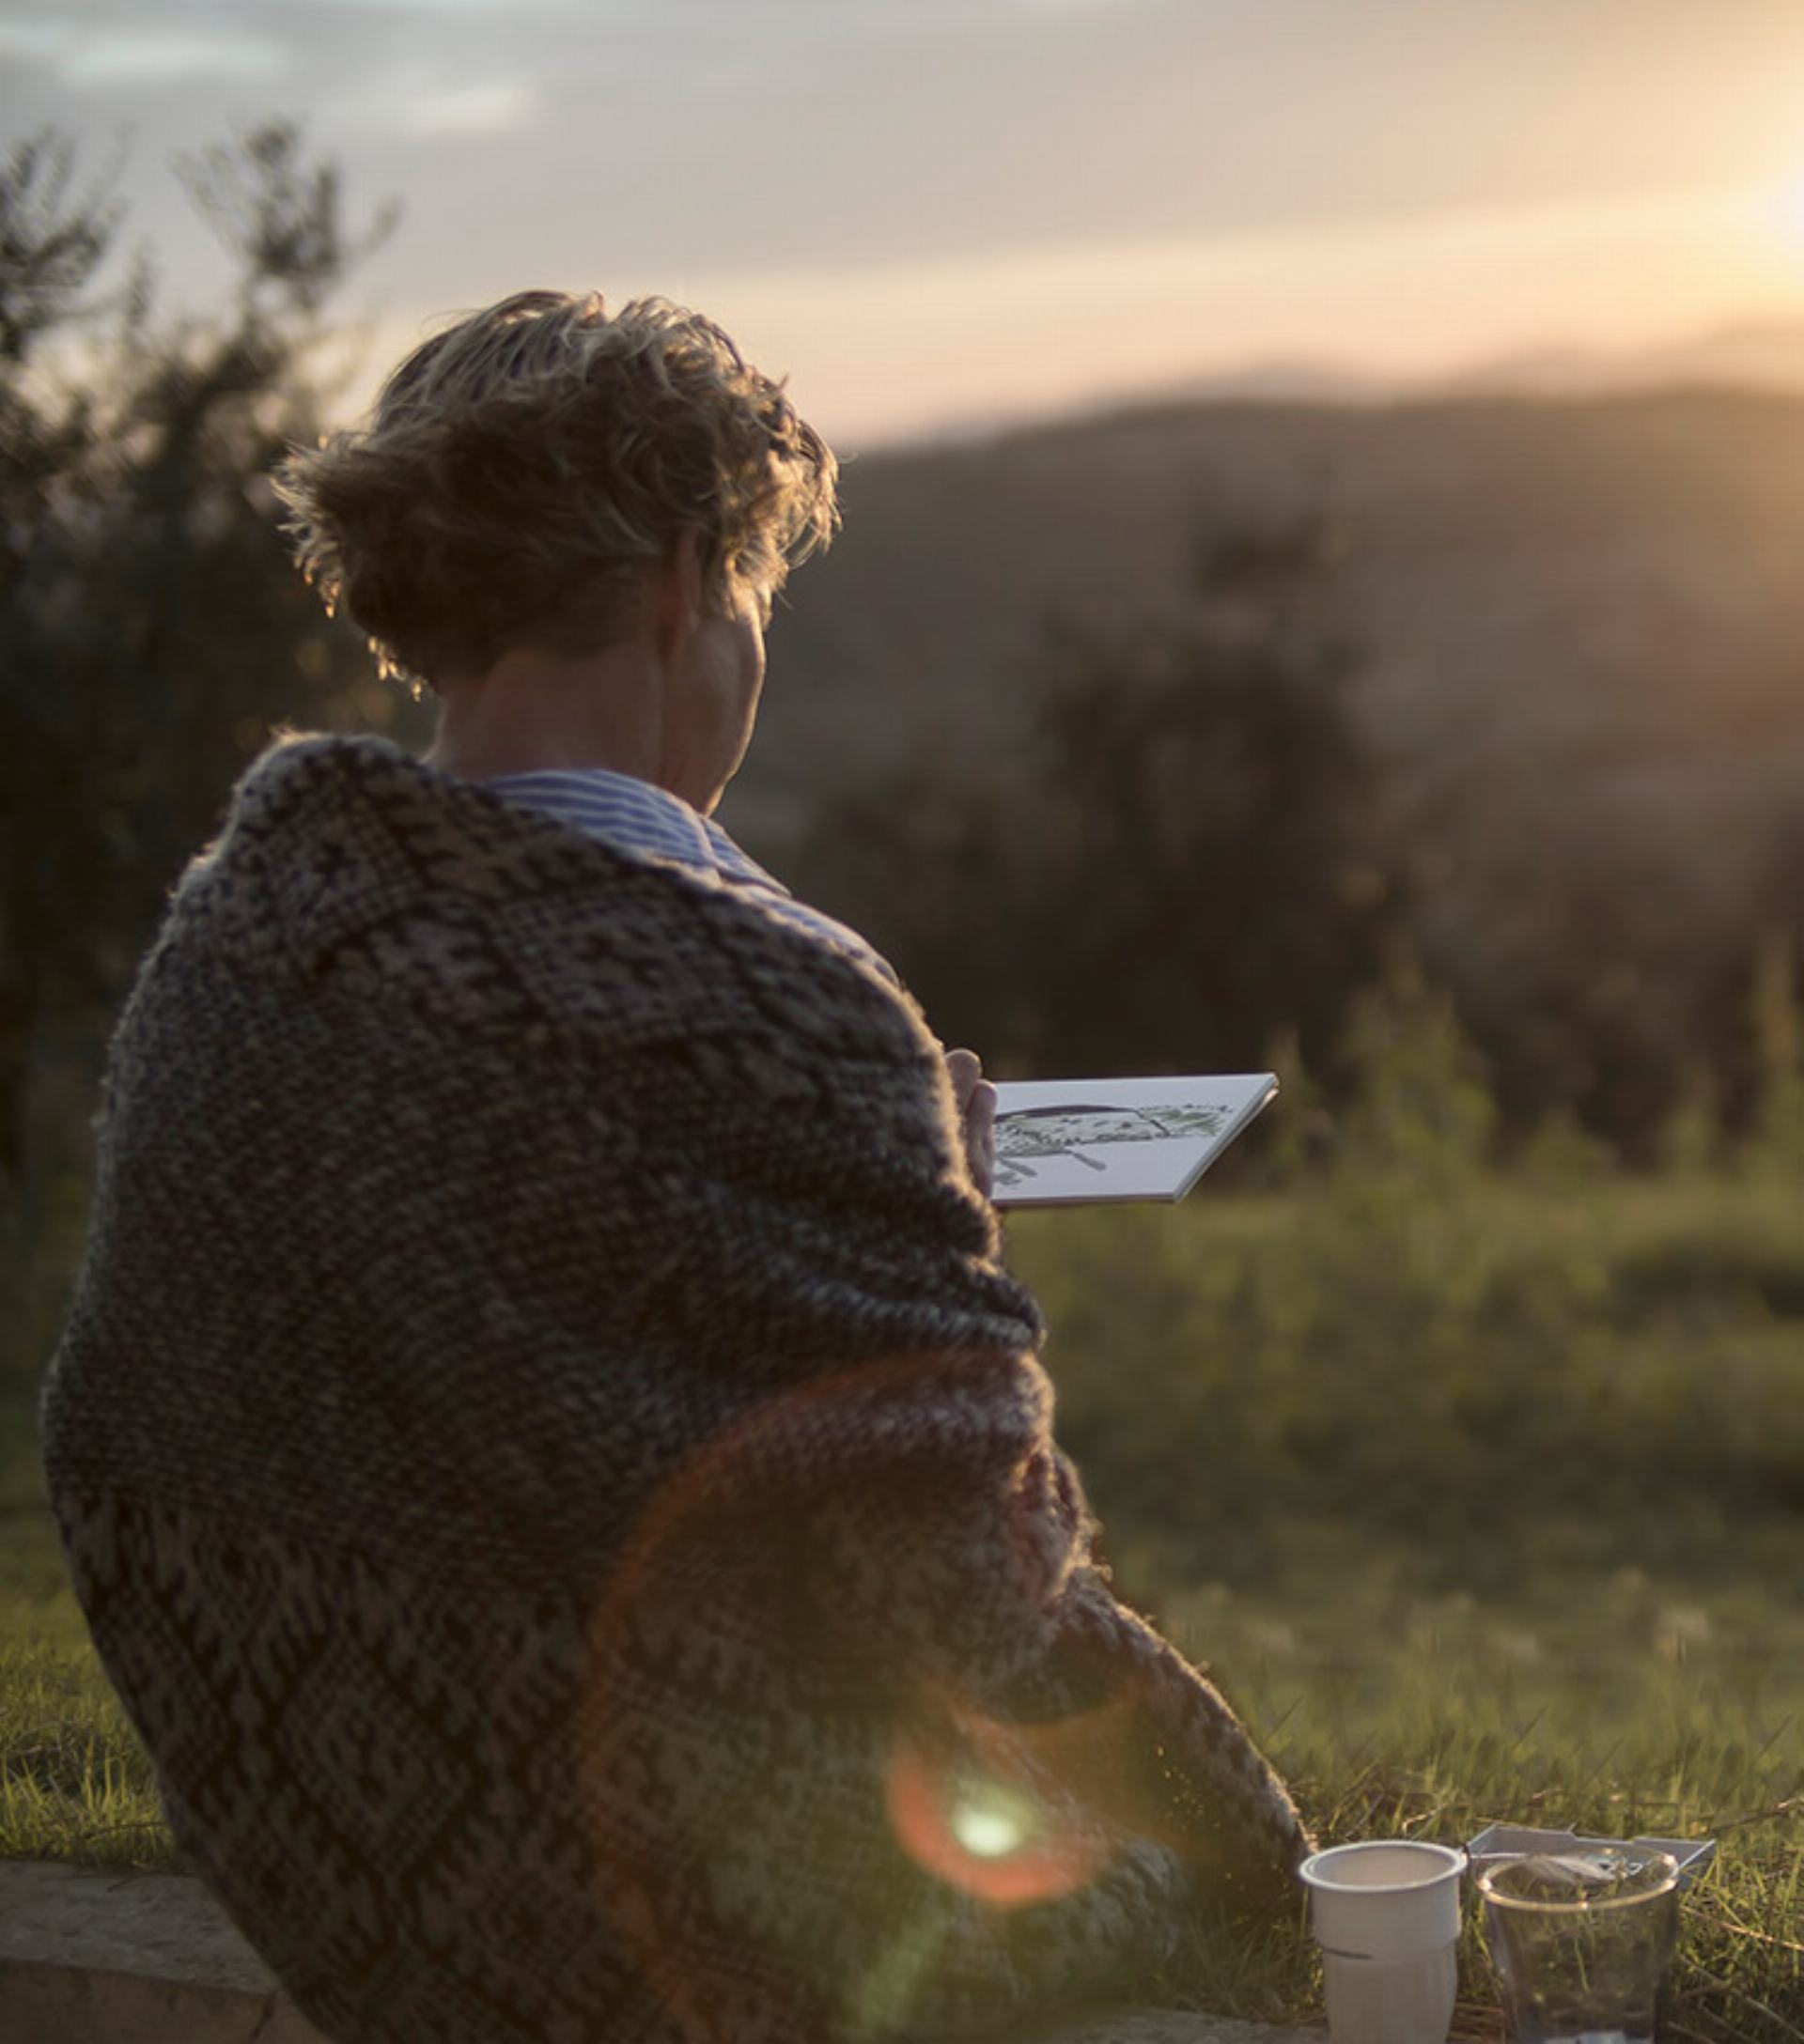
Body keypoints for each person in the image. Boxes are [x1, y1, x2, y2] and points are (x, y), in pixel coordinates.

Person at [41, 289, 1311, 2044]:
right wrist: (1249, 1839)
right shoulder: (787, 1009)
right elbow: (966, 1597)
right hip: (703, 1930)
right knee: (1170, 1900)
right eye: (752, 603)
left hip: (347, 1895)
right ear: (682, 575)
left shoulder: (230, 953)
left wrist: (887, 1210)